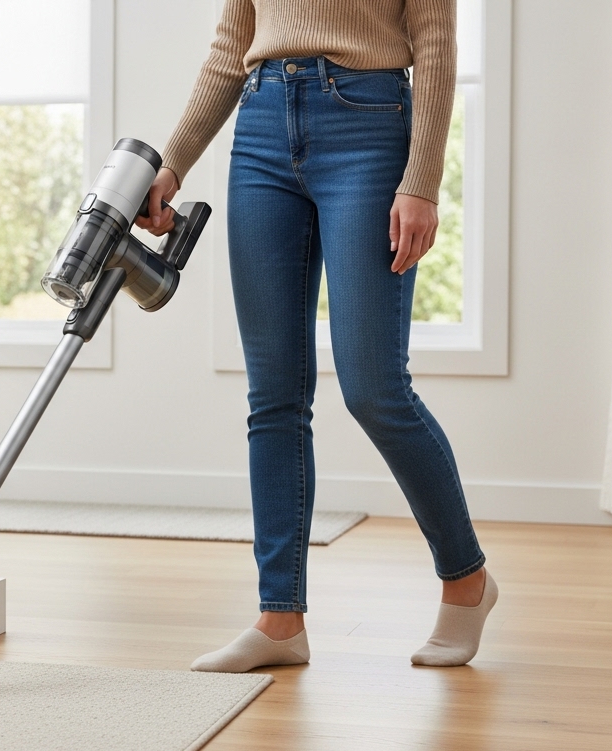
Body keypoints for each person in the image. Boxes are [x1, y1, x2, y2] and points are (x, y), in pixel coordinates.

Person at [136, 0, 497, 671]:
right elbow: (230, 46)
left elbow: (436, 44)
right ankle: (280, 620)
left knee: (375, 387)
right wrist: (174, 162)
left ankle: (466, 580)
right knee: (273, 395)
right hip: (262, 125)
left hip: (368, 123)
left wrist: (422, 180)